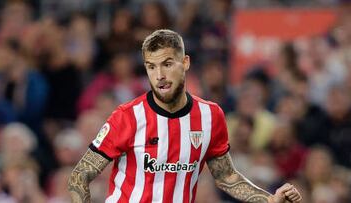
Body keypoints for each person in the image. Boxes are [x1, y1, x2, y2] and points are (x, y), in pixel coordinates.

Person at [68, 29, 302, 203]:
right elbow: (79, 177)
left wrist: (269, 200)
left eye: (167, 64)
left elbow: (226, 176)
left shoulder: (211, 115)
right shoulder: (127, 117)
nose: (159, 75)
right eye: (151, 66)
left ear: (185, 62)